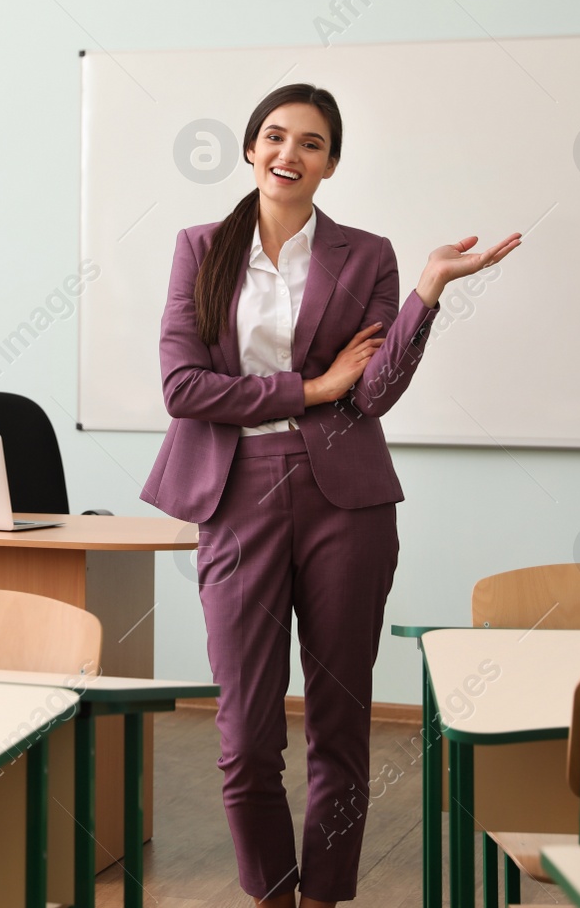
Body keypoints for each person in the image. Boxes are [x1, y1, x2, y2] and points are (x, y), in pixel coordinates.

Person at [141, 82, 520, 906]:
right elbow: (183, 386)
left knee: (340, 726)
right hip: (235, 494)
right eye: (274, 137)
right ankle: (274, 894)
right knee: (244, 733)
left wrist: (426, 290)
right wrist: (310, 389)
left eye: (311, 143)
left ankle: (324, 898)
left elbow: (374, 393)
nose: (289, 154)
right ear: (249, 150)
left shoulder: (367, 254)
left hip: (344, 501)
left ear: (332, 163)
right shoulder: (200, 247)